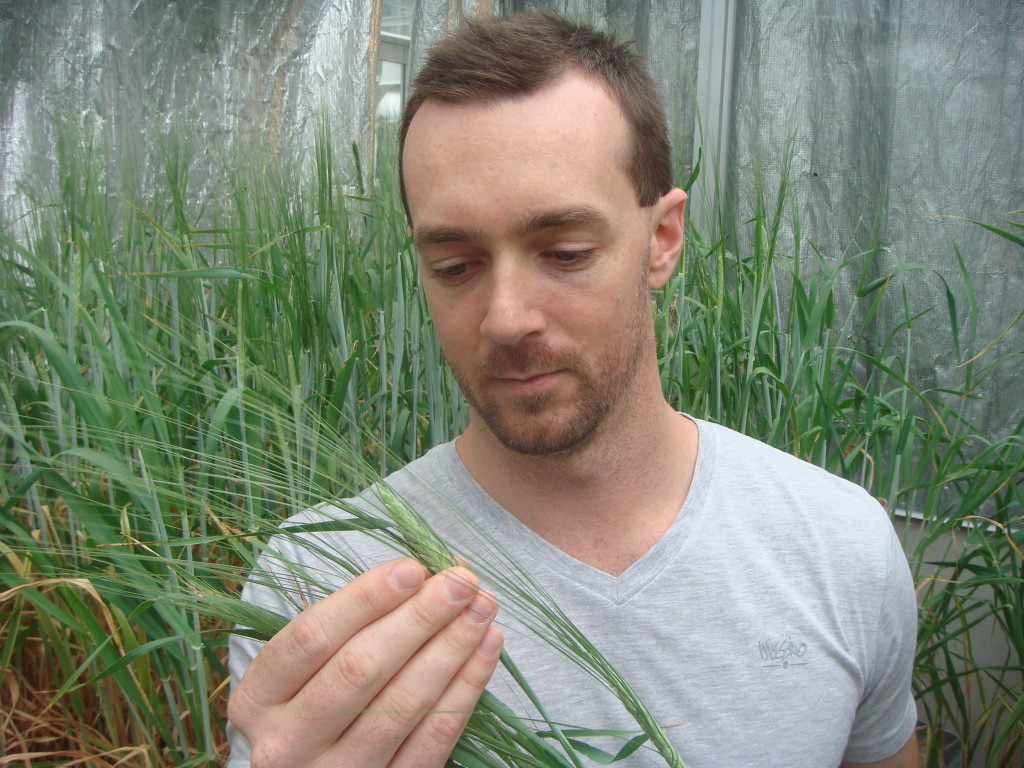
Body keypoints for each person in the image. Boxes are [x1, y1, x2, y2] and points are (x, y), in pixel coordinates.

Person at [226, 14, 919, 768]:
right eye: (455, 265)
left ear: (662, 240)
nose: (506, 319)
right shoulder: (324, 583)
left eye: (564, 252)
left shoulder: (840, 547)